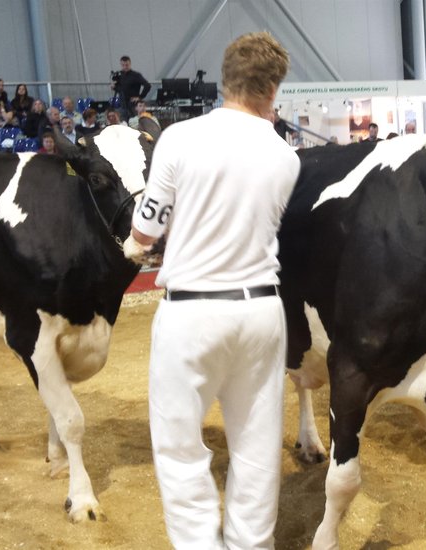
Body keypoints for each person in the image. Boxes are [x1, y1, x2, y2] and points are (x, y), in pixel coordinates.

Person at [123, 31, 299, 549]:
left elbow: (145, 231)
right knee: (257, 447)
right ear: (273, 90)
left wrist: (135, 247)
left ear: (225, 80)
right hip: (261, 311)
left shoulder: (179, 138)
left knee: (179, 450)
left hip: (191, 312)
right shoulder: (286, 157)